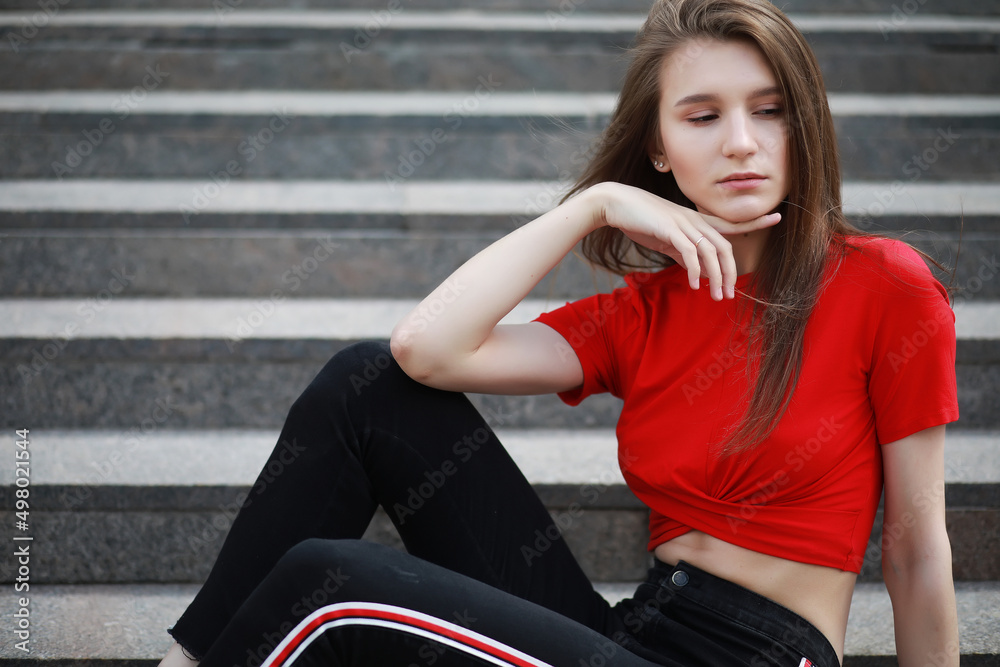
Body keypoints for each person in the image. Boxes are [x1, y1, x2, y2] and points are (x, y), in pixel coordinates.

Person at [158, 0, 960, 665]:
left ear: (804, 121)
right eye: (702, 115)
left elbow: (916, 551)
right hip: (630, 635)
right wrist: (591, 205)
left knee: (328, 579)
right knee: (362, 387)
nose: (742, 141)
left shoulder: (884, 285)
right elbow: (424, 350)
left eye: (770, 110)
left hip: (762, 652)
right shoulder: (643, 313)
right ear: (659, 147)